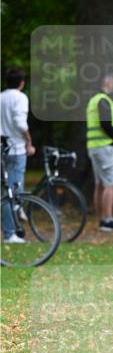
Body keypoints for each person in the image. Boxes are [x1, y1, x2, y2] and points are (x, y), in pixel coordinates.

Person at [86, 73, 113, 232]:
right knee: (111, 184)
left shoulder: (93, 100)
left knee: (100, 185)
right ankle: (108, 220)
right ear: (108, 82)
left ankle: (101, 219)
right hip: (106, 146)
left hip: (94, 146)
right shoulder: (104, 100)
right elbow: (106, 124)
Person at [1, 66, 36, 243]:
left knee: (7, 190)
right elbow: (20, 123)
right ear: (22, 83)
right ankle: (10, 233)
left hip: (2, 149)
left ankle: (13, 222)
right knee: (13, 192)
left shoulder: (1, 97)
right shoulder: (20, 98)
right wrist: (29, 142)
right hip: (16, 148)